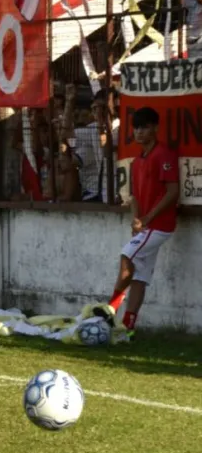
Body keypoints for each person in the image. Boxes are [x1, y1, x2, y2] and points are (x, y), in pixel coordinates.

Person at [97, 107, 179, 336]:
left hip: (160, 226)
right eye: (137, 127)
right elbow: (134, 195)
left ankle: (109, 310)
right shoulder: (136, 162)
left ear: (155, 128)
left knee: (126, 257)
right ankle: (128, 327)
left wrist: (147, 218)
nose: (140, 132)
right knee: (140, 275)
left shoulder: (165, 155)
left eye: (145, 127)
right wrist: (136, 218)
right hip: (146, 226)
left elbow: (173, 192)